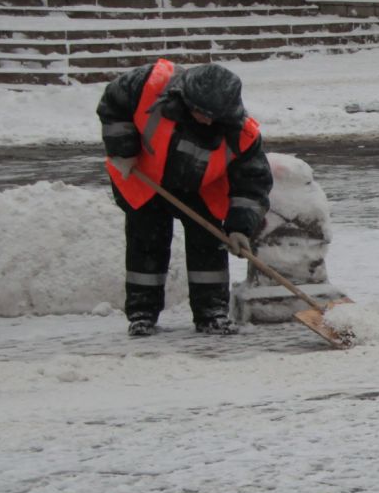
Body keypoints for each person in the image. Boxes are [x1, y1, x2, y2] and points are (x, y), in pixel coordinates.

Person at [98, 61, 271, 337]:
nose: (205, 119)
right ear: (184, 98)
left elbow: (252, 184)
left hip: (201, 188)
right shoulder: (148, 85)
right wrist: (123, 149)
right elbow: (113, 103)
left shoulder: (243, 133)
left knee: (208, 246)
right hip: (146, 176)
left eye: (212, 115)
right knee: (146, 243)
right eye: (199, 112)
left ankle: (212, 314)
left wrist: (240, 227)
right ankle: (142, 314)